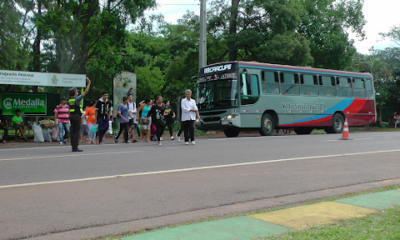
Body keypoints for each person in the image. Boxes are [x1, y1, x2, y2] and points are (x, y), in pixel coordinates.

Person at [69, 77, 91, 152]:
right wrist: (89, 83)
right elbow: (85, 91)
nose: (77, 92)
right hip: (77, 116)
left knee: (72, 131)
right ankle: (75, 147)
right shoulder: (77, 99)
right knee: (77, 132)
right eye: (76, 91)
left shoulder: (70, 99)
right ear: (75, 93)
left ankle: (73, 146)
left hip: (71, 116)